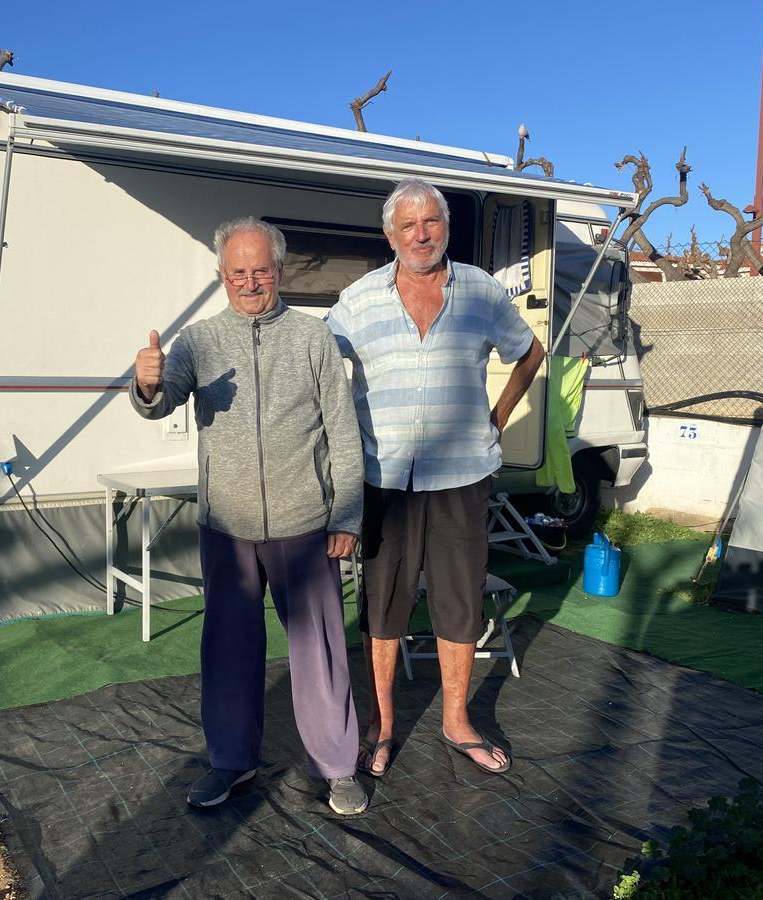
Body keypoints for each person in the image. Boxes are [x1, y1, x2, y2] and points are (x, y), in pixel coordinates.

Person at [129, 217, 368, 815]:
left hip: (305, 524)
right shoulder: (199, 340)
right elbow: (159, 404)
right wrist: (147, 385)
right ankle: (231, 762)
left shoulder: (314, 339)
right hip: (227, 529)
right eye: (238, 271)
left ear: (280, 271)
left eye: (261, 270)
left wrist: (347, 515)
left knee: (320, 649)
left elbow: (342, 431)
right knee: (229, 649)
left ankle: (337, 766)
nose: (250, 281)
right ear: (221, 274)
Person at [327, 178, 545, 778]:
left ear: (446, 227)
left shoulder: (480, 291)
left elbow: (530, 352)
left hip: (462, 476)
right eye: (407, 226)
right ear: (388, 235)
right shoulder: (360, 299)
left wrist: (497, 419)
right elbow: (316, 365)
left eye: (431, 223)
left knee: (458, 604)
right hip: (384, 479)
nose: (420, 235)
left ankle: (456, 721)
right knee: (383, 605)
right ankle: (384, 725)